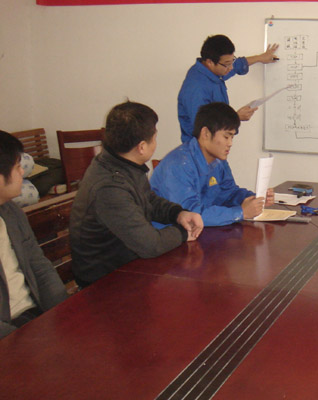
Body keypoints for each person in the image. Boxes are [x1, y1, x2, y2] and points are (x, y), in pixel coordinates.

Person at [70, 101, 204, 287]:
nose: (155, 143)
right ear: (141, 147)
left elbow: (148, 199)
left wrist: (178, 214)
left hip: (128, 265)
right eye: (154, 138)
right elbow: (150, 245)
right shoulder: (109, 188)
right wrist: (183, 233)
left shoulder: (122, 163)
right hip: (104, 283)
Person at [151, 102, 274, 227]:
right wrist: (241, 212)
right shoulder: (178, 165)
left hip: (203, 230)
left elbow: (229, 193)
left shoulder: (218, 160)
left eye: (232, 137)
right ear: (206, 133)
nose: (230, 143)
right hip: (171, 233)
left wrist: (254, 199)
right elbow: (191, 215)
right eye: (226, 137)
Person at [0, 130, 67, 339]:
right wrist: (22, 343)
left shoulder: (11, 211)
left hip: (32, 315)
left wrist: (65, 312)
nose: (22, 172)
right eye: (17, 167)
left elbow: (39, 266)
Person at [178, 34, 279, 143]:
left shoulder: (210, 70)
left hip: (216, 145)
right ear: (210, 62)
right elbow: (205, 128)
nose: (230, 68)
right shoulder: (196, 90)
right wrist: (236, 117)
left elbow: (237, 65)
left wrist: (260, 58)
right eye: (227, 64)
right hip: (201, 148)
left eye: (232, 61)